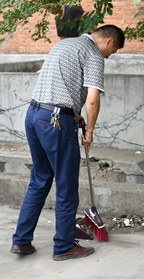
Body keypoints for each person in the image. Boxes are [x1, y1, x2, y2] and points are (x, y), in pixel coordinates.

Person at [11, 25, 125, 261]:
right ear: (109, 42)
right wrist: (90, 130)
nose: (108, 56)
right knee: (66, 185)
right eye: (111, 52)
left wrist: (73, 114)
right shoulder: (93, 53)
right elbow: (92, 99)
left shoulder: (64, 45)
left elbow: (57, 87)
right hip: (56, 123)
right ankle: (64, 245)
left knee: (40, 180)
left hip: (34, 116)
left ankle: (21, 241)